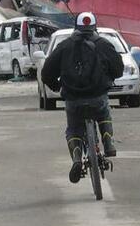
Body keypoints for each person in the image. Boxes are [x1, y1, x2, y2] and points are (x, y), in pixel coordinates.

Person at [41, 12, 124, 184]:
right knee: (104, 114)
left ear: (76, 27)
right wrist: (109, 79)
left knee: (73, 129)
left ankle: (77, 158)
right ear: (94, 27)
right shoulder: (104, 44)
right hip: (97, 95)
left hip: (73, 98)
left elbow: (46, 73)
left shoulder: (64, 46)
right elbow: (118, 69)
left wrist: (58, 87)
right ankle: (108, 142)